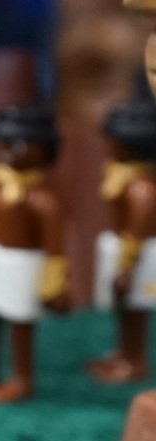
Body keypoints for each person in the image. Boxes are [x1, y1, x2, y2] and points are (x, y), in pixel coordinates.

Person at [0, 105, 71, 402]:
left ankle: (21, 377)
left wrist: (55, 285)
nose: (7, 151)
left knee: (20, 322)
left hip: (22, 265)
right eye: (3, 142)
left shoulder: (42, 201)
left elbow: (55, 249)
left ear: (43, 150)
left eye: (18, 144)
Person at [88, 100, 156, 383]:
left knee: (135, 310)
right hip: (121, 249)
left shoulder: (141, 188)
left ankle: (134, 360)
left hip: (138, 255)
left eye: (114, 141)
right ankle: (122, 353)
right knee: (123, 308)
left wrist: (127, 267)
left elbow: (136, 232)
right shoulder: (121, 178)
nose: (109, 146)